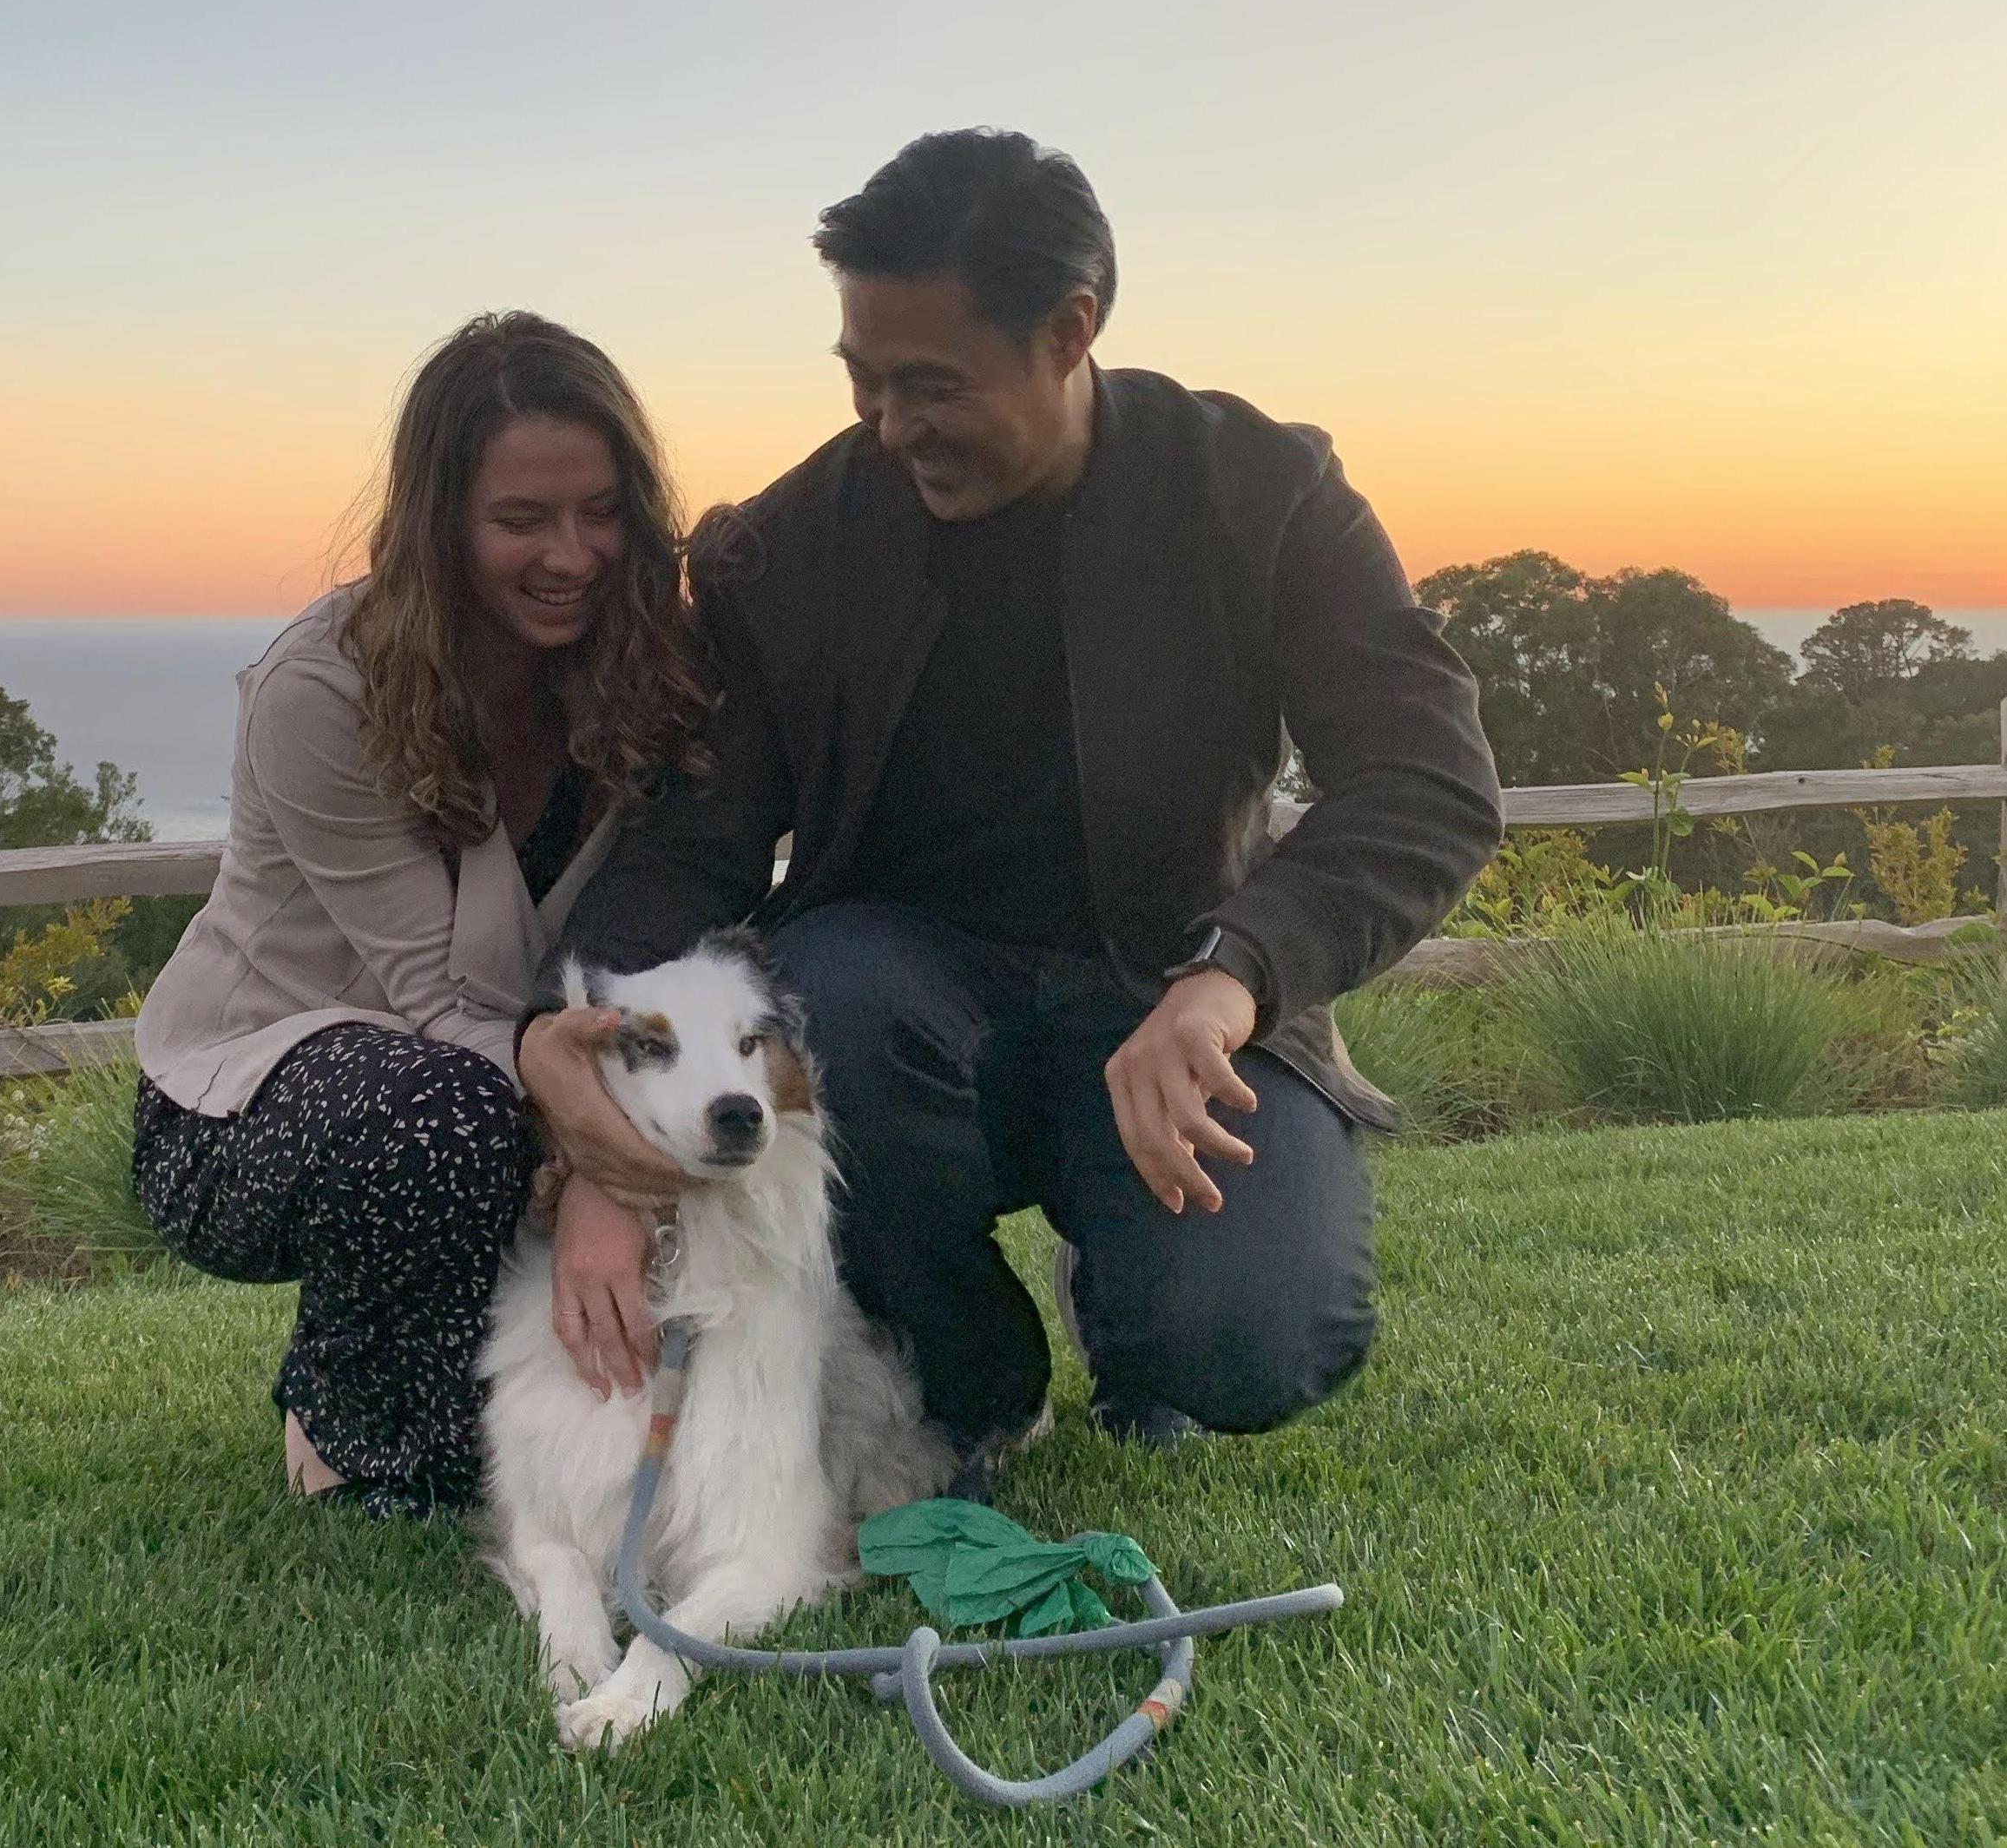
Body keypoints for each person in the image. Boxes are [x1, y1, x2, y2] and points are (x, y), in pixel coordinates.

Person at [517, 129, 1504, 1480]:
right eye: (861, 380)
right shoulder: (784, 552)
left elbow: (1426, 782)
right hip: (890, 1013)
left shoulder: (1259, 491)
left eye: (930, 384)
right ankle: (964, 1370)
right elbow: (692, 845)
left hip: (1180, 991)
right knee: (828, 995)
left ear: (1070, 329)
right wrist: (565, 1034)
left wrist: (1233, 978)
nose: (887, 425)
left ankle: (1147, 1318)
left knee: (1249, 1348)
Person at [132, 312, 710, 1519]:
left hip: (504, 1073)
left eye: (601, 512)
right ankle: (347, 1417)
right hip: (250, 1108)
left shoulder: (646, 668)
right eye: (519, 521)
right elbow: (448, 1003)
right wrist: (612, 1161)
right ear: (439, 521)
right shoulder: (323, 687)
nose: (572, 555)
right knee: (437, 1116)